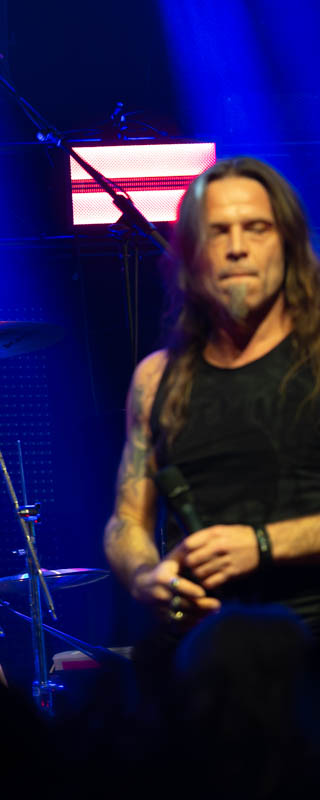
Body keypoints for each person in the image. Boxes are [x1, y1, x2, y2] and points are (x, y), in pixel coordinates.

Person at [104, 157, 320, 638]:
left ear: (287, 243)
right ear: (191, 253)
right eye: (218, 232)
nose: (237, 248)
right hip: (208, 656)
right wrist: (145, 576)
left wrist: (262, 544)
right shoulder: (156, 378)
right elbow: (126, 520)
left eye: (257, 228)